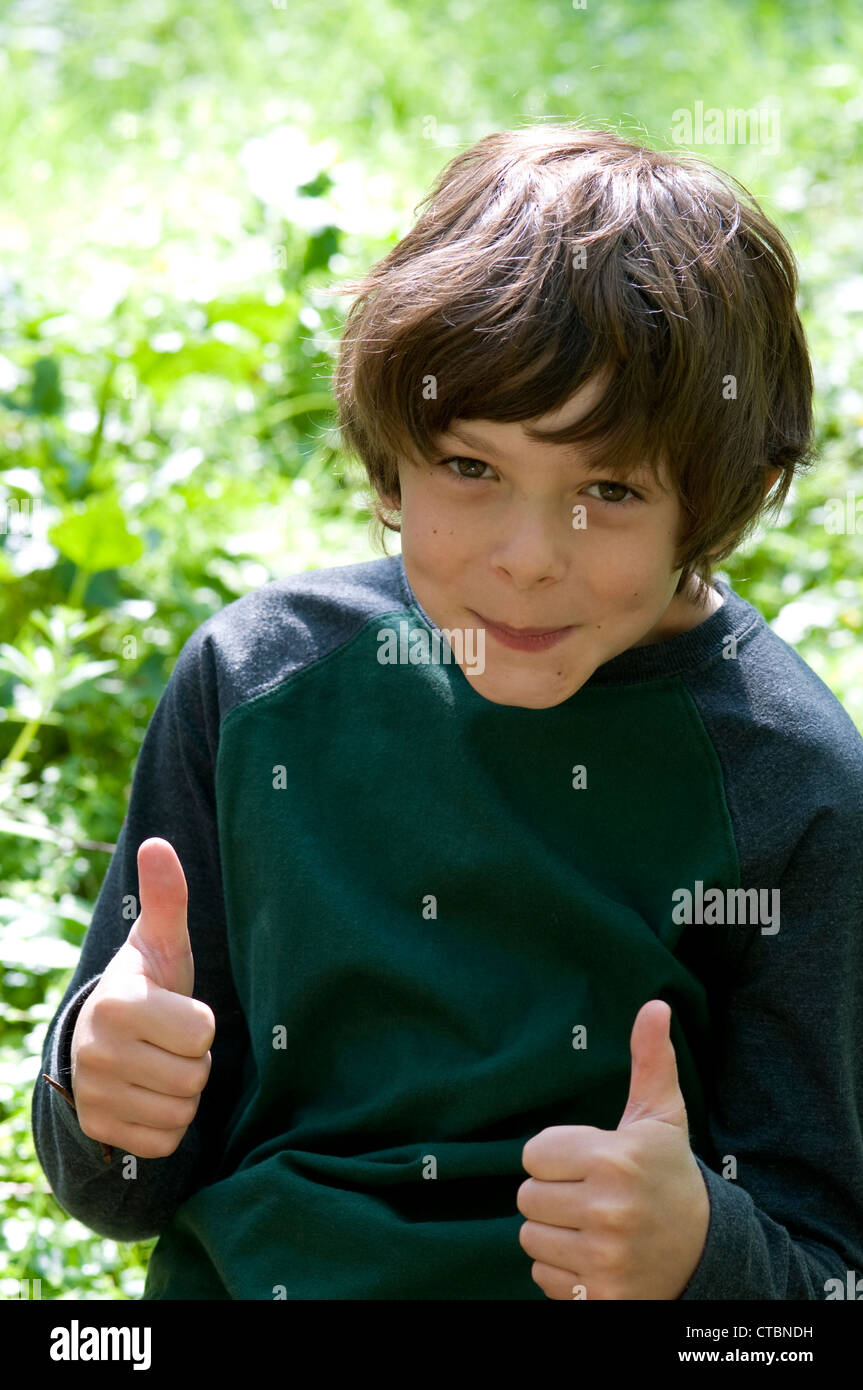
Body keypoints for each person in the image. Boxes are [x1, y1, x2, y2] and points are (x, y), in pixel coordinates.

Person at [32, 124, 863, 1300]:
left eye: (609, 490)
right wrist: (98, 1086)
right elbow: (120, 1187)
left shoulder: (792, 784)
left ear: (717, 505)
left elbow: (823, 1271)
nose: (528, 558)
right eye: (471, 469)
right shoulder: (255, 683)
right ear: (390, 460)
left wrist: (700, 1255)